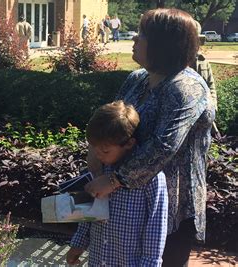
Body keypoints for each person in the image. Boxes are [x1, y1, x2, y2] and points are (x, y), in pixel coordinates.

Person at [84, 8, 214, 266]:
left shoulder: (186, 87)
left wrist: (113, 180)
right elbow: (111, 118)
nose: (134, 39)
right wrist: (94, 150)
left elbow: (164, 146)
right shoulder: (138, 79)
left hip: (168, 208)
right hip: (125, 203)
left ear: (163, 44)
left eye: (142, 35)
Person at [66, 100, 169, 266]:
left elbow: (156, 229)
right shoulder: (99, 170)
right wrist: (78, 244)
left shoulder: (152, 179)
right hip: (98, 260)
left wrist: (150, 264)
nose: (98, 154)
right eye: (94, 148)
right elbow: (88, 212)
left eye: (105, 150)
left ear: (129, 143)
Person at [192, 20, 220, 136]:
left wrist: (212, 105)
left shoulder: (203, 62)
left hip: (205, 114)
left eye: (197, 40)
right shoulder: (177, 62)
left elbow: (211, 86)